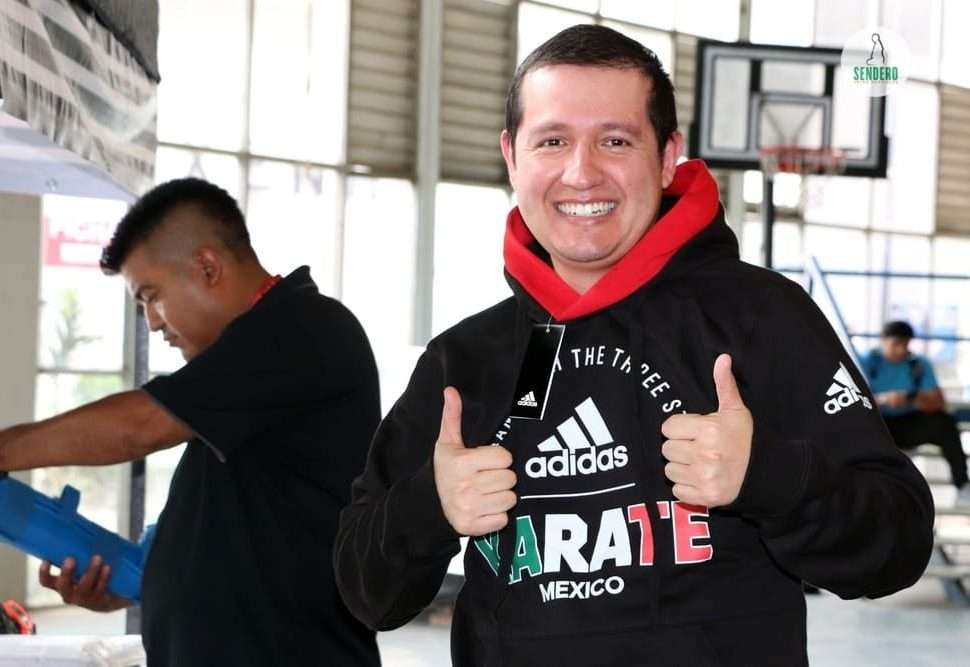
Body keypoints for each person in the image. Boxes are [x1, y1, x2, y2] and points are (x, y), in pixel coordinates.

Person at [334, 25, 934, 666]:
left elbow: (897, 545)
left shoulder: (761, 319)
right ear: (511, 157)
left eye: (615, 140)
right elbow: (367, 594)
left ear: (668, 155)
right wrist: (430, 506)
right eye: (553, 141)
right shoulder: (467, 360)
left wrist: (768, 475)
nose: (581, 172)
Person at [0, 178, 382, 666]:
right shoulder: (236, 378)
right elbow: (234, 533)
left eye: (151, 295)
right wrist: (133, 582)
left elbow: (135, 427)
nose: (152, 321)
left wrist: (4, 449)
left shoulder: (304, 328)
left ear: (207, 266)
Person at [862, 320, 970, 505]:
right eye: (896, 344)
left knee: (945, 423)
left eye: (905, 344)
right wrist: (884, 400)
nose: (901, 350)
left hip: (908, 423)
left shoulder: (919, 364)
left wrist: (910, 397)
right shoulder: (865, 362)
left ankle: (962, 486)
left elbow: (938, 402)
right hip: (877, 425)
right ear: (883, 341)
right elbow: (850, 397)